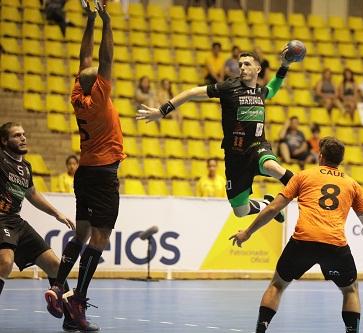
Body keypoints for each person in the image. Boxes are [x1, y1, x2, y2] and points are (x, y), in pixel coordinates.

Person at [230, 136, 363, 333]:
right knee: (350, 290)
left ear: (320, 156)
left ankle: (261, 330)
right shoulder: (353, 185)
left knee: (277, 285)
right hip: (334, 245)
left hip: (302, 242)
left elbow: (273, 208)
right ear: (340, 160)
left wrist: (247, 232)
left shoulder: (303, 176)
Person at [137, 47, 299, 222]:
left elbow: (273, 87)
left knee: (272, 167)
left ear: (258, 69)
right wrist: (162, 111)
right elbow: (191, 93)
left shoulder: (261, 92)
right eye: (240, 64)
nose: (242, 67)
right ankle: (266, 205)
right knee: (241, 210)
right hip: (235, 156)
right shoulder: (229, 87)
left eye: (247, 64)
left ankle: (307, 192)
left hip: (257, 148)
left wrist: (285, 65)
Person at [45, 1, 125, 331]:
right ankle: (78, 297)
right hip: (105, 174)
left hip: (84, 174)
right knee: (101, 238)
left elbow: (86, 59)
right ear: (99, 84)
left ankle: (57, 285)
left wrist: (89, 20)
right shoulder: (101, 97)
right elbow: (103, 58)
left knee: (81, 233)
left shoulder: (79, 94)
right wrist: (107, 20)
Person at [0, 122, 80, 331]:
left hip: (15, 221)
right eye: (17, 135)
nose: (23, 138)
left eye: (24, 134)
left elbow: (32, 194)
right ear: (4, 141)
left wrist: (57, 214)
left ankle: (72, 318)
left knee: (55, 265)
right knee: (5, 262)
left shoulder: (25, 167)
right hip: (0, 219)